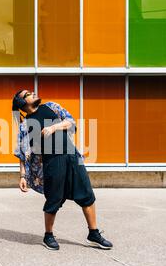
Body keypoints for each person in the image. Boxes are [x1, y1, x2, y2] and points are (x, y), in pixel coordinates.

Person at [12, 89, 113, 251]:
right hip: (52, 161)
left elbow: (71, 122)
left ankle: (93, 234)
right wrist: (22, 176)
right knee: (54, 198)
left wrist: (54, 128)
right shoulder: (25, 125)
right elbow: (23, 153)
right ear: (23, 103)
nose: (33, 92)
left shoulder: (51, 107)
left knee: (87, 193)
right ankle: (48, 235)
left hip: (72, 155)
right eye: (28, 93)